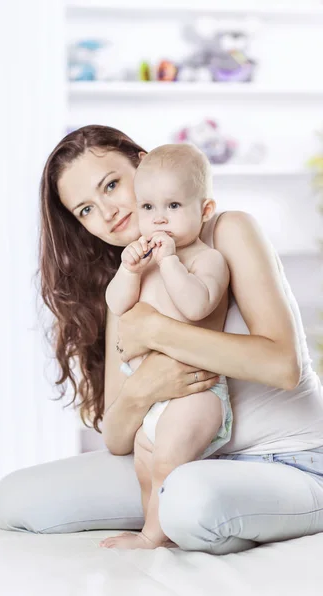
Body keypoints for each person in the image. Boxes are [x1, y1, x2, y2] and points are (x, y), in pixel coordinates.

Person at [0, 125, 323, 555]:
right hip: (185, 456)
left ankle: (216, 512)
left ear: (145, 165)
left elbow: (282, 366)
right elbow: (116, 437)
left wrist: (157, 331)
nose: (107, 212)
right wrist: (145, 387)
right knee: (18, 499)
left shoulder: (225, 231)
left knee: (188, 497)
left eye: (111, 185)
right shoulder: (127, 282)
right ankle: (210, 514)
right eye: (86, 210)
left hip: (289, 461)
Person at [102, 143, 232, 549]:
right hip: (153, 396)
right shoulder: (140, 261)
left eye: (173, 205)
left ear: (205, 210)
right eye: (147, 208)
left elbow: (196, 306)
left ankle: (154, 537)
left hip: (197, 393)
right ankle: (154, 528)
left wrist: (172, 262)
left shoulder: (206, 259)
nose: (158, 218)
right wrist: (128, 270)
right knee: (145, 466)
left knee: (167, 463)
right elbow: (117, 304)